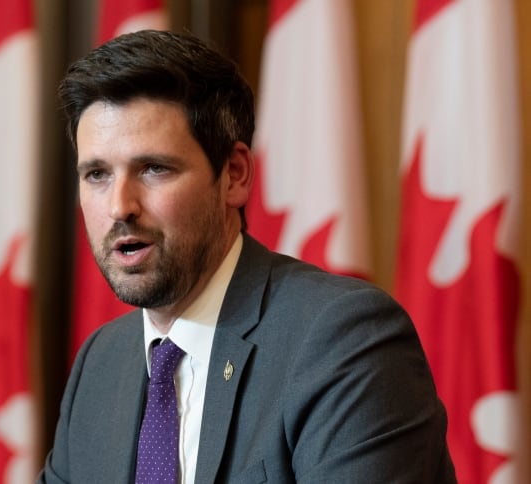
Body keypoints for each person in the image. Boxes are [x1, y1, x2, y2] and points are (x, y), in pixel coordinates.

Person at [38, 29, 456, 483]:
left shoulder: (344, 342)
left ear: (234, 175)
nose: (120, 206)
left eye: (154, 168)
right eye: (97, 174)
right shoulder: (100, 364)